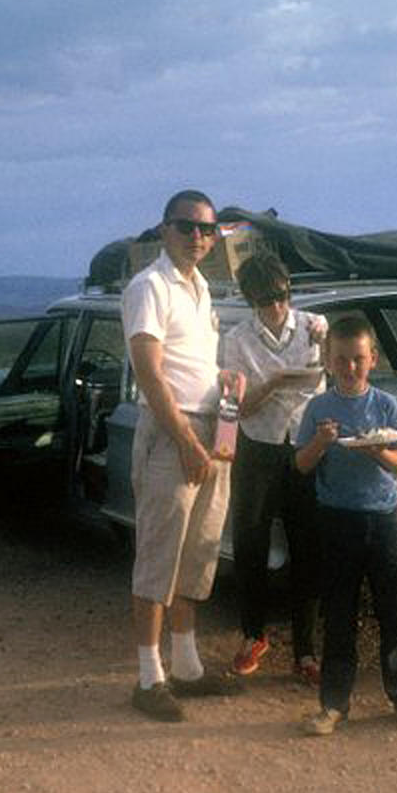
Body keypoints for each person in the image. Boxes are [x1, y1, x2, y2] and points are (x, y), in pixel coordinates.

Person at [121, 189, 244, 721]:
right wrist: (189, 443)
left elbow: (189, 364)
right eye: (187, 226)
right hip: (174, 435)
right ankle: (149, 679)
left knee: (197, 555)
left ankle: (188, 669)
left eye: (207, 230)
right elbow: (151, 377)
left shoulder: (200, 290)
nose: (198, 237)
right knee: (158, 557)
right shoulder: (149, 287)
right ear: (164, 229)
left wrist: (223, 381)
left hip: (209, 429)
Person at [294, 315, 397, 735]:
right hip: (337, 520)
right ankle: (334, 704)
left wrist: (377, 452)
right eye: (341, 360)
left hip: (382, 518)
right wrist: (320, 442)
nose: (350, 367)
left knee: (395, 609)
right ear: (328, 360)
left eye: (358, 359)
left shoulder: (386, 405)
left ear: (372, 359)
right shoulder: (318, 408)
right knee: (339, 613)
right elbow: (301, 464)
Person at [222, 252, 327, 684]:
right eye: (266, 300)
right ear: (250, 300)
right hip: (257, 446)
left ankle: (306, 650)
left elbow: (326, 379)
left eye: (282, 296)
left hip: (303, 444)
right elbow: (237, 408)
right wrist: (276, 383)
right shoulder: (236, 339)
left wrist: (319, 348)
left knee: (309, 546)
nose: (277, 307)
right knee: (250, 543)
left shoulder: (313, 325)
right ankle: (253, 634)